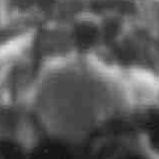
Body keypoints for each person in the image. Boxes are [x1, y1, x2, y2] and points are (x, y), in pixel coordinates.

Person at [28, 13, 131, 147]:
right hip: (94, 153)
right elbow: (124, 115)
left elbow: (32, 111)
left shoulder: (50, 70)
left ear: (71, 36)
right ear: (99, 39)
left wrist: (47, 140)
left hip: (58, 150)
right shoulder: (112, 76)